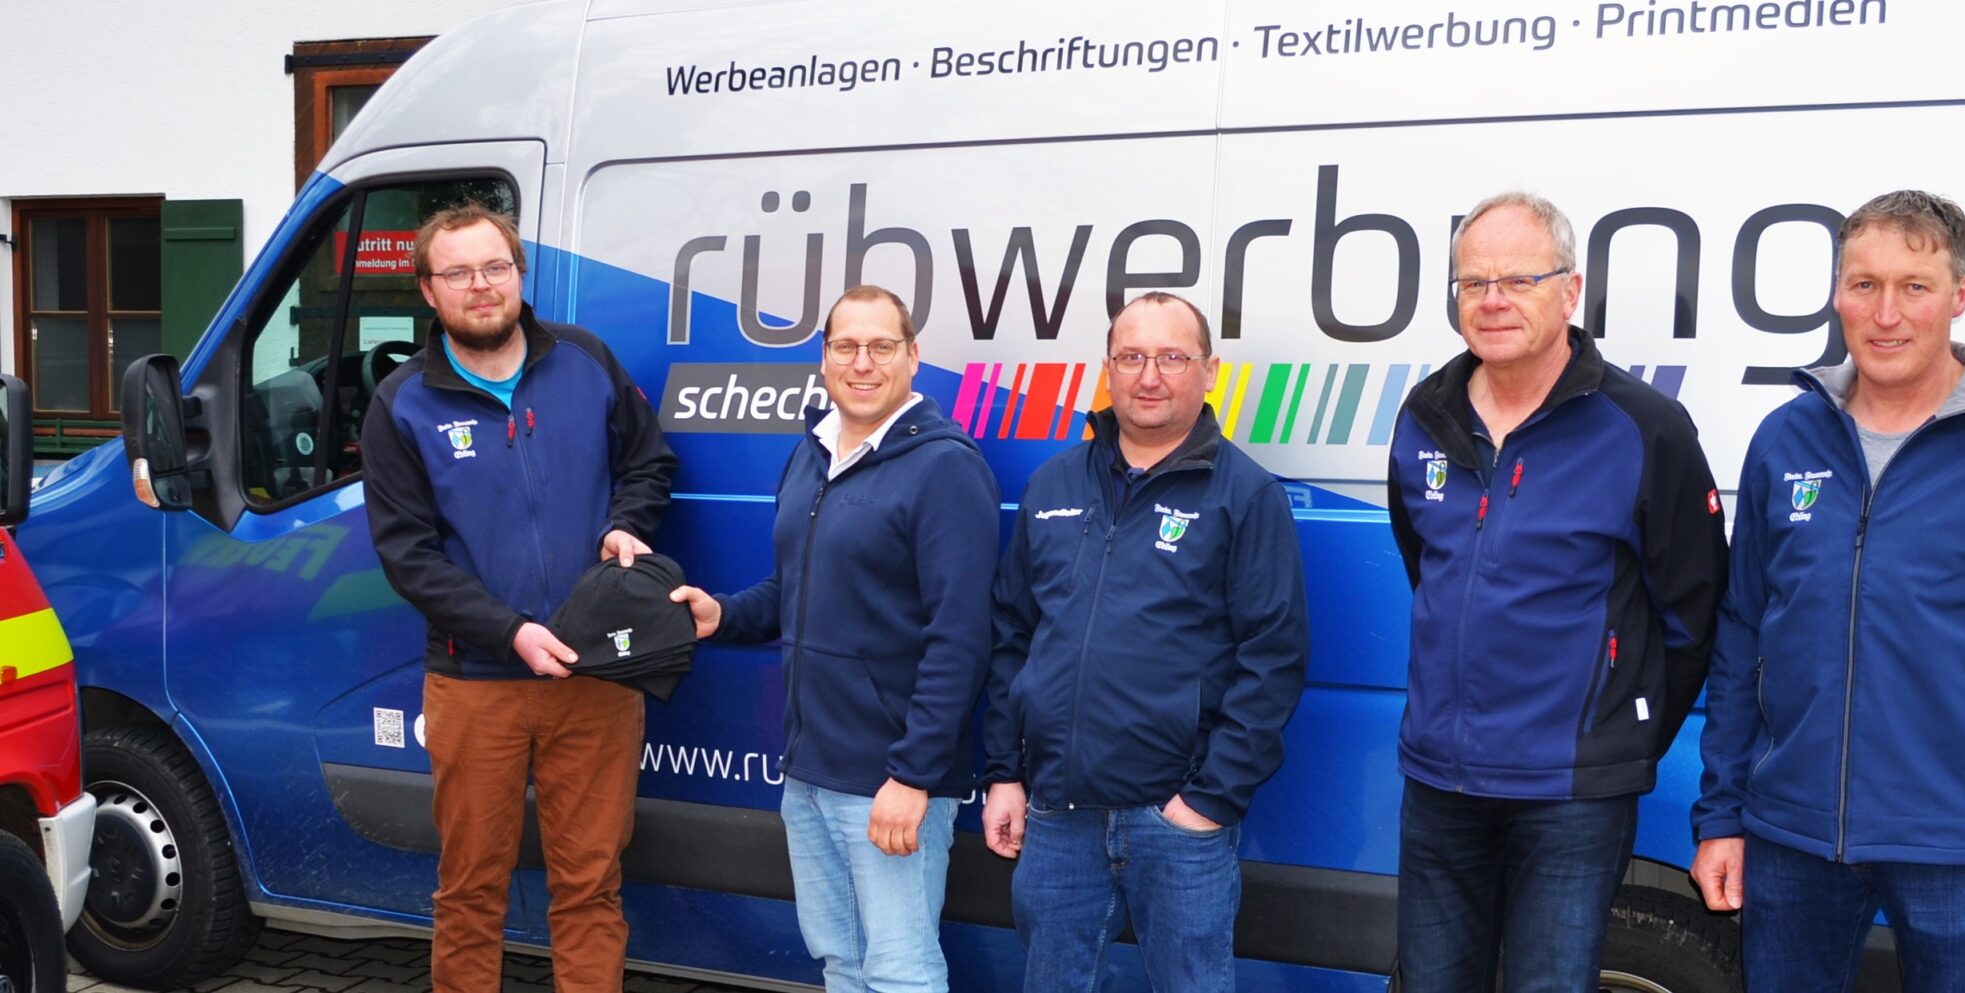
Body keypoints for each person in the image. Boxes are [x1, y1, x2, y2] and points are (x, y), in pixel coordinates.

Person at [1688, 190, 1965, 992]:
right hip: (1792, 836)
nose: (1886, 313)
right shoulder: (1786, 439)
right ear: (1837, 294)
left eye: (1914, 286)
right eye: (1864, 284)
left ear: (1959, 295)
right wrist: (1723, 813)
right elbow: (1743, 632)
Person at [1384, 192, 1728, 992]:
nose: (1492, 300)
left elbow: (1694, 612)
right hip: (1439, 784)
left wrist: (1615, 733)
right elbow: (1431, 564)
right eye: (1474, 283)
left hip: (1571, 795)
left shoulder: (1643, 425)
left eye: (1518, 279)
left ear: (1570, 291)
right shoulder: (1425, 414)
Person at [362, 202, 678, 993]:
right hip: (477, 682)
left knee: (591, 885)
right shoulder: (401, 403)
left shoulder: (585, 360)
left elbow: (649, 463)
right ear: (428, 290)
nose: (481, 285)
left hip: (595, 674)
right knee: (470, 890)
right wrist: (511, 632)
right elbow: (408, 554)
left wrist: (626, 524)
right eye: (458, 272)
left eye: (495, 267)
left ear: (518, 274)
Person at [977, 291, 1310, 993]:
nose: (1149, 376)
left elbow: (1273, 655)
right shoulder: (1054, 483)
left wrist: (1210, 799)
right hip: (1057, 816)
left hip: (1177, 823)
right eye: (1131, 357)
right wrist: (1005, 771)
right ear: (1108, 368)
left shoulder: (1244, 495)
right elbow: (1013, 635)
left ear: (1209, 371)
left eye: (1171, 358)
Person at [673, 286, 999, 993]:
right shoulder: (812, 453)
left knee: (900, 970)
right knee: (842, 963)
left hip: (888, 778)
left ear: (912, 357)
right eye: (846, 346)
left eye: (882, 346)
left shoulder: (945, 467)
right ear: (824, 357)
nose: (862, 362)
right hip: (810, 773)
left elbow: (961, 637)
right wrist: (721, 615)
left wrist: (913, 775)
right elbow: (796, 587)